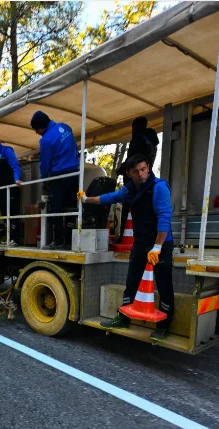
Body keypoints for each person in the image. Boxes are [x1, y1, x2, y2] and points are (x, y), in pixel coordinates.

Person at [78, 153, 174, 341]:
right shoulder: (130, 189)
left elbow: (164, 217)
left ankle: (164, 325)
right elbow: (110, 197)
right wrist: (86, 199)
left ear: (148, 168)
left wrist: (157, 247)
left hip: (161, 244)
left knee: (164, 284)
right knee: (132, 281)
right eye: (136, 171)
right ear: (129, 174)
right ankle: (123, 318)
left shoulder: (159, 187)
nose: (141, 174)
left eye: (143, 169)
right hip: (141, 243)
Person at [30, 110, 80, 250]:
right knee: (71, 208)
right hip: (74, 173)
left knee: (56, 209)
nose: (37, 133)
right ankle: (70, 240)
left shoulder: (46, 140)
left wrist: (44, 180)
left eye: (36, 130)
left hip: (59, 176)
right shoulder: (66, 127)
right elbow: (74, 147)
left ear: (41, 127)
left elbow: (44, 163)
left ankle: (57, 241)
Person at [116, 116, 160, 243]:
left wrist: (121, 169)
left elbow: (132, 160)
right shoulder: (151, 141)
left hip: (134, 179)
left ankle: (124, 237)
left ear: (135, 128)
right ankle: (146, 236)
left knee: (128, 207)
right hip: (147, 177)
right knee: (145, 207)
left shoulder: (138, 140)